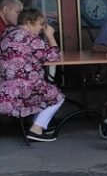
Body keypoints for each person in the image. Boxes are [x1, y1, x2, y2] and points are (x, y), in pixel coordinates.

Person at [0, 8, 64, 141]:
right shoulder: (29, 38)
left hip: (5, 89)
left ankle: (37, 124)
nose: (43, 28)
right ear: (29, 23)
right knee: (57, 96)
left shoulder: (7, 33)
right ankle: (36, 129)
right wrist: (50, 35)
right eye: (41, 24)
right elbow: (54, 57)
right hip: (23, 89)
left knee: (45, 89)